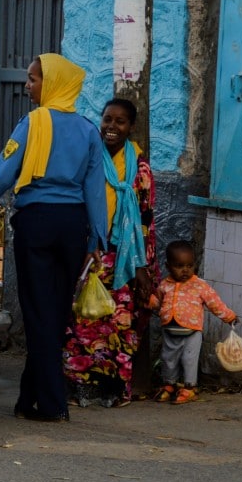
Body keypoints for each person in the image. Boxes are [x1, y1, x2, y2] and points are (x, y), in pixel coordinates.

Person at [0, 54, 107, 422]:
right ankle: (28, 400)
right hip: (73, 226)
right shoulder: (88, 130)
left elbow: (3, 176)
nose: (27, 86)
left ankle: (53, 405)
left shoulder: (32, 123)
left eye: (34, 79)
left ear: (52, 83)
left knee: (38, 313)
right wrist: (95, 243)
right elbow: (95, 191)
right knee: (53, 312)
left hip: (36, 223)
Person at [63, 98, 158, 408]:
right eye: (107, 120)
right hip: (92, 252)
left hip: (125, 259)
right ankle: (79, 389)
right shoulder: (90, 156)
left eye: (120, 122)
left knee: (119, 325)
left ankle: (114, 390)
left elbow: (145, 217)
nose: (112, 127)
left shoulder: (139, 166)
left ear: (130, 127)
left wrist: (142, 266)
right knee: (83, 321)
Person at [147, 240, 238, 405]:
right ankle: (169, 384)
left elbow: (214, 303)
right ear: (168, 266)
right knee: (168, 358)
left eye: (189, 265)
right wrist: (149, 300)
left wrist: (229, 316)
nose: (185, 270)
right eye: (179, 266)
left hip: (192, 332)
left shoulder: (199, 285)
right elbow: (159, 303)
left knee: (189, 359)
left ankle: (190, 387)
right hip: (170, 329)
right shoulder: (164, 285)